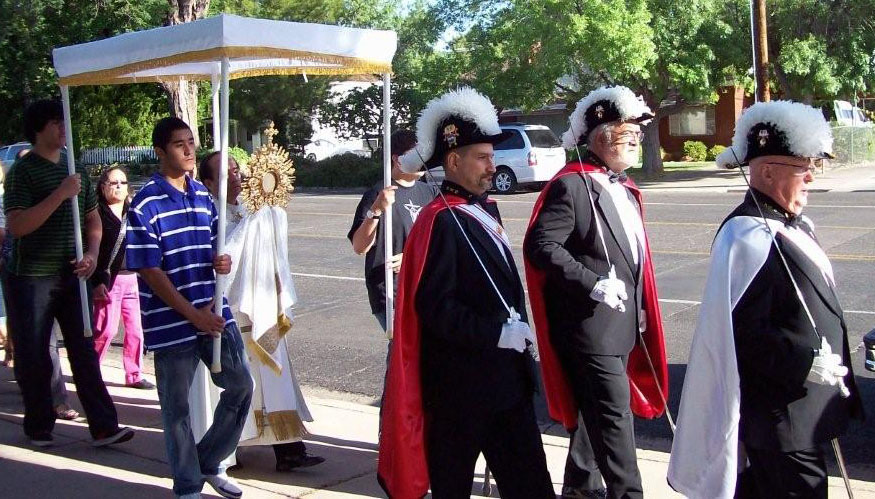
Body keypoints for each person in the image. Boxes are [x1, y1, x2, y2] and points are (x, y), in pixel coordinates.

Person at [668, 101, 865, 499]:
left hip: (802, 411)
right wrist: (805, 362)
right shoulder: (746, 236)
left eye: (812, 164)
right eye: (802, 166)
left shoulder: (790, 225)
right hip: (780, 419)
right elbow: (742, 335)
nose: (811, 175)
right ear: (767, 172)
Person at [378, 87, 554, 499]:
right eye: (483, 157)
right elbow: (434, 307)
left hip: (506, 384)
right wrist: (496, 333)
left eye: (492, 157)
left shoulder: (484, 208)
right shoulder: (439, 220)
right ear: (454, 161)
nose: (493, 165)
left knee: (531, 486)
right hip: (459, 392)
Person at [524, 86, 669, 499]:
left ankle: (580, 487)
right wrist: (593, 282)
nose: (637, 140)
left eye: (637, 134)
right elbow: (541, 246)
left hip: (622, 322)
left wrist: (639, 304)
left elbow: (634, 256)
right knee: (614, 420)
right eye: (629, 133)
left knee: (594, 416)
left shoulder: (622, 186)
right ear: (603, 137)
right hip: (590, 329)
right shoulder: (571, 186)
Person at [126, 117, 253, 499]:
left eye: (191, 142)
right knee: (176, 408)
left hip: (213, 309)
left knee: (240, 385)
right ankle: (187, 484)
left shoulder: (201, 195)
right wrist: (192, 314)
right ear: (160, 151)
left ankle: (207, 461)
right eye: (179, 144)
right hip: (171, 321)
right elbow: (150, 270)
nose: (188, 150)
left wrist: (221, 262)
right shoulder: (145, 202)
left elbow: (215, 246)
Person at [2, 99, 134, 447]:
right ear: (39, 129)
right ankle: (39, 425)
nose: (64, 129)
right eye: (56, 123)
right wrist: (61, 194)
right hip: (31, 277)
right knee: (35, 354)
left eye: (65, 122)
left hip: (71, 274)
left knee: (83, 349)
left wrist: (91, 254)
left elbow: (92, 219)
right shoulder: (23, 172)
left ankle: (104, 426)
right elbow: (18, 225)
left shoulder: (74, 168)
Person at [197, 151, 324, 472]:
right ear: (208, 183)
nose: (236, 176)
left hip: (262, 304)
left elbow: (272, 239)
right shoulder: (206, 214)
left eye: (236, 169)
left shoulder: (253, 209)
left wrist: (266, 213)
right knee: (239, 384)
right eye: (226, 173)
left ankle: (289, 449)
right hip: (230, 310)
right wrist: (251, 222)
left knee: (275, 378)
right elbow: (223, 254)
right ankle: (230, 449)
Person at [347, 129, 437, 405]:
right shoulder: (378, 193)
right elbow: (359, 246)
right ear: (397, 159)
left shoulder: (430, 191)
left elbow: (439, 242)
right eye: (416, 155)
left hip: (424, 288)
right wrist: (376, 211)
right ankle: (393, 419)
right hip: (391, 292)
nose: (423, 160)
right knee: (404, 354)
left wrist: (413, 258)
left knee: (425, 359)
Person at [91, 166, 153, 389]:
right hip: (109, 280)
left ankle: (134, 374)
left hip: (133, 279)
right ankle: (91, 371)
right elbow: (93, 251)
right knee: (105, 330)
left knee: (136, 330)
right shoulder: (97, 214)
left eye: (123, 182)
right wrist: (97, 281)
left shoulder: (133, 212)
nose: (119, 186)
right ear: (103, 187)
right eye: (114, 182)